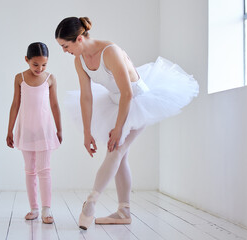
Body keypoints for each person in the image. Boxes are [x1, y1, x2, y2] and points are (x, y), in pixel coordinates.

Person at [55, 17, 198, 230]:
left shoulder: (110, 52)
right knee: (120, 157)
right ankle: (124, 211)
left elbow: (128, 93)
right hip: (115, 101)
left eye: (65, 46)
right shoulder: (80, 60)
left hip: (137, 100)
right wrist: (87, 132)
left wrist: (119, 128)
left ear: (78, 39)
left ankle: (90, 203)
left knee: (116, 150)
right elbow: (86, 97)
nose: (64, 51)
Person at [6, 42, 62, 224]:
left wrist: (59, 129)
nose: (40, 68)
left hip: (44, 131)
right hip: (26, 130)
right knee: (30, 171)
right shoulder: (19, 78)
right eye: (35, 64)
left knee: (44, 170)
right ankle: (34, 208)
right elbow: (15, 105)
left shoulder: (50, 79)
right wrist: (10, 130)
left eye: (44, 64)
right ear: (27, 60)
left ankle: (47, 209)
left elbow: (54, 105)